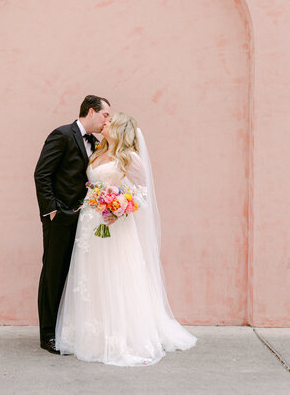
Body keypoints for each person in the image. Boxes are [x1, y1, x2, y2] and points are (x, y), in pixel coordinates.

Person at [55, 112, 197, 366]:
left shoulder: (129, 157)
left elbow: (142, 193)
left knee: (115, 275)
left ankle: (119, 337)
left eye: (111, 122)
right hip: (90, 224)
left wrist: (120, 208)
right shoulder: (97, 153)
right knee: (92, 276)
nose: (105, 123)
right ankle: (90, 335)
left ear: (120, 129)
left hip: (116, 226)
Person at [34, 95, 111, 354]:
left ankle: (66, 330)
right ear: (91, 111)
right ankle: (47, 336)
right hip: (61, 218)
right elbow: (42, 174)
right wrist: (52, 211)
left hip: (85, 220)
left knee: (76, 275)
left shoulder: (97, 144)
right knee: (54, 274)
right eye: (105, 115)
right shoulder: (62, 135)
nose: (107, 120)